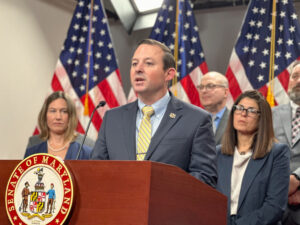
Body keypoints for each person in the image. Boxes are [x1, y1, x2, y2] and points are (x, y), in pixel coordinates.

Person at [91, 39, 217, 187]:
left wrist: (159, 190)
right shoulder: (112, 118)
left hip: (167, 208)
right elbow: (95, 172)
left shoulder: (196, 120)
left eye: (148, 63)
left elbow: (204, 177)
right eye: (134, 63)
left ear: (169, 74)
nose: (138, 69)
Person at [217, 90, 290, 225]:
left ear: (262, 118)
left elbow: (275, 207)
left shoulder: (277, 153)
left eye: (251, 110)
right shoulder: (217, 154)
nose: (243, 114)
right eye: (239, 108)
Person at [24, 91, 92, 160]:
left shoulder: (86, 145)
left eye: (64, 111)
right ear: (45, 115)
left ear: (70, 116)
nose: (58, 117)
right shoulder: (33, 144)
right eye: (53, 111)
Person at [273, 61, 300, 225]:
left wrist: (296, 180)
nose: (298, 81)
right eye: (295, 76)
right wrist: (282, 188)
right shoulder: (268, 114)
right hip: (272, 200)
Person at [198, 71, 229, 145]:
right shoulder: (192, 120)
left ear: (225, 92)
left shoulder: (236, 119)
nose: (204, 91)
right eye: (201, 87)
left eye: (210, 86)